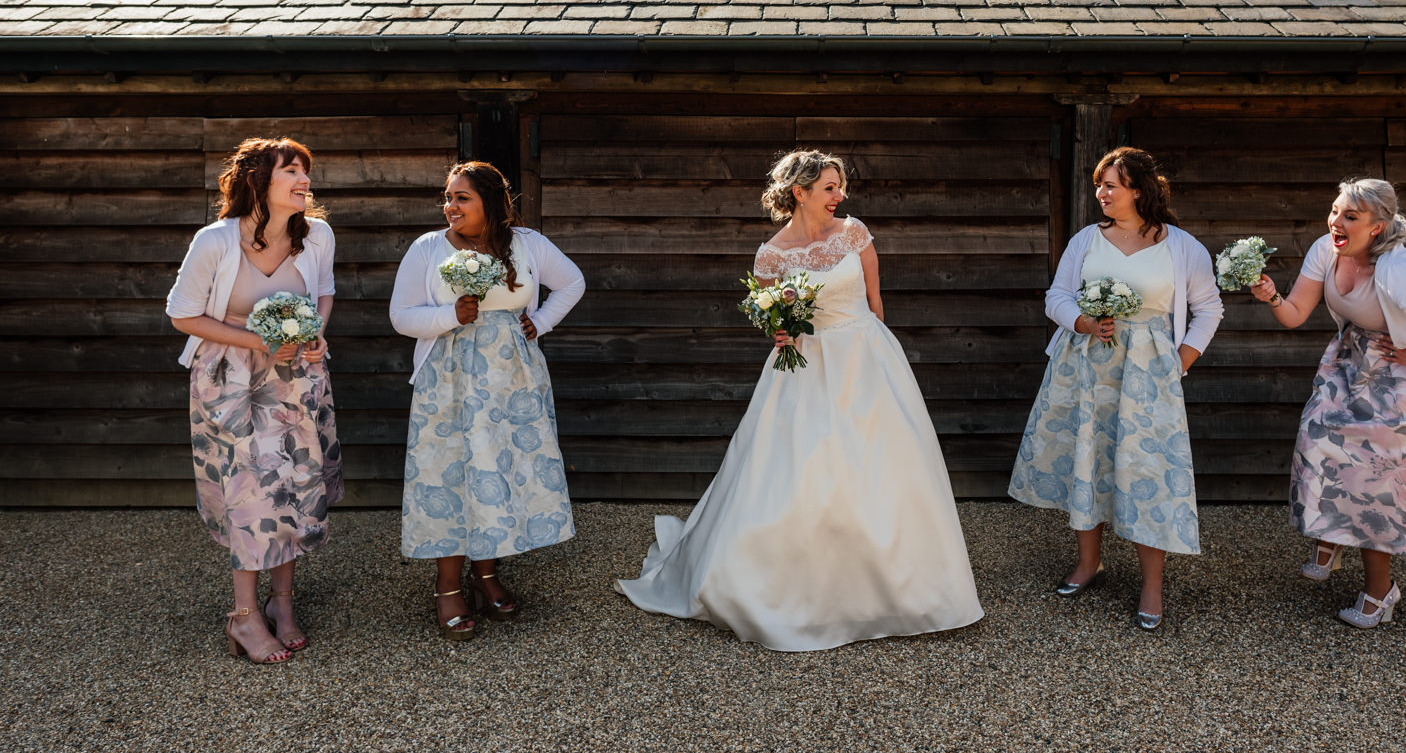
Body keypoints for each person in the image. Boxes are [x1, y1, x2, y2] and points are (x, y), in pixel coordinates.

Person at [616, 150, 983, 651]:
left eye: (840, 186)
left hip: (866, 359)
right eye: (830, 187)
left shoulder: (855, 233)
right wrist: (780, 334)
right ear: (800, 192)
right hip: (806, 367)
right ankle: (796, 586)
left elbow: (876, 302)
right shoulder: (770, 255)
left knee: (884, 463)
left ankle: (903, 586)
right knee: (802, 467)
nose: (841, 196)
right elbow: (772, 320)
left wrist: (880, 355)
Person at [1250, 177, 1406, 628]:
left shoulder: (1398, 268)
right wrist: (1272, 296)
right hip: (1354, 361)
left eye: (1350, 217)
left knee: (1376, 479)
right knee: (1316, 439)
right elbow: (1295, 315)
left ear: (1377, 227)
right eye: (1335, 211)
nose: (1336, 222)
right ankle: (1331, 536)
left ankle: (1381, 593)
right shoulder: (1327, 249)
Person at [1009, 147, 1221, 632]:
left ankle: (1151, 583)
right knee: (1089, 457)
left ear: (1140, 190)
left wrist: (1180, 362)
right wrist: (1081, 321)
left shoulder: (1182, 246)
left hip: (1148, 375)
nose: (1101, 193)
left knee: (1149, 467)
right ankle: (1089, 563)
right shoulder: (1087, 239)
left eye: (1112, 185)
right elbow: (1056, 296)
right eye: (1099, 184)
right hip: (1085, 368)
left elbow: (1209, 310)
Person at [390, 161, 585, 641]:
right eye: (449, 197)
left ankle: (488, 573)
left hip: (511, 379)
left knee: (496, 472)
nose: (450, 206)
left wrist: (540, 322)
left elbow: (573, 282)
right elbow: (401, 315)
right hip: (448, 378)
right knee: (450, 472)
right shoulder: (428, 248)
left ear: (491, 203)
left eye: (462, 198)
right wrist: (448, 315)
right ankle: (448, 585)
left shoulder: (529, 244)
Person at [166, 137, 340, 664]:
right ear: (258, 181)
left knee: (294, 486)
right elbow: (182, 314)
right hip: (230, 380)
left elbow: (324, 292)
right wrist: (261, 341)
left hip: (296, 378)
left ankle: (282, 604)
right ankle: (244, 617)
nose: (304, 180)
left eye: (305, 171)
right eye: (292, 171)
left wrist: (314, 334)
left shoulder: (318, 236)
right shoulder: (215, 241)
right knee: (250, 491)